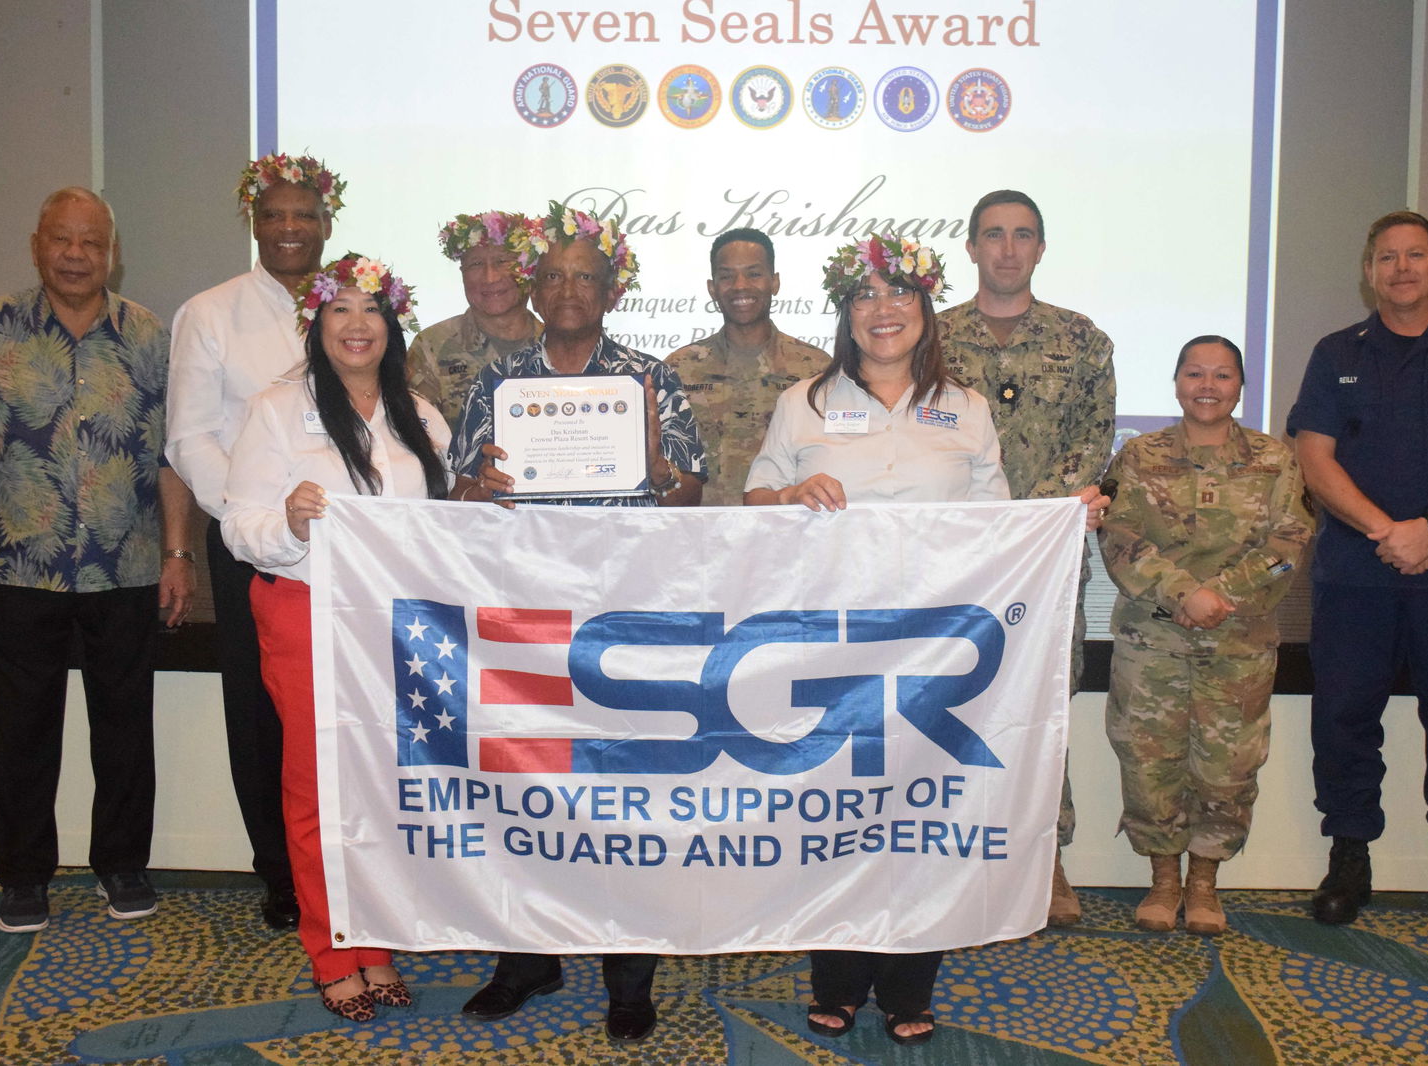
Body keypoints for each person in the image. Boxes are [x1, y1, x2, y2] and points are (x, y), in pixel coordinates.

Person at [745, 233, 1107, 1047]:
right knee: (834, 811)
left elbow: (1000, 522)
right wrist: (791, 491)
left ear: (925, 312)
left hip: (934, 649)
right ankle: (837, 976)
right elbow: (753, 493)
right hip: (831, 644)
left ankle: (911, 981)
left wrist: (1061, 519)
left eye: (900, 296)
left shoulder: (967, 408)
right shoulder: (801, 400)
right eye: (867, 297)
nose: (884, 311)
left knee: (922, 814)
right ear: (846, 313)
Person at [451, 203, 705, 1044]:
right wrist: (476, 489)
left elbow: (692, 495)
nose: (567, 290)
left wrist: (665, 471)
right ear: (537, 285)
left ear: (611, 290)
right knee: (526, 787)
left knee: (621, 793)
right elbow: (458, 492)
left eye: (584, 277)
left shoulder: (648, 377)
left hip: (619, 613)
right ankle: (525, 959)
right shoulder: (499, 381)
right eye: (553, 275)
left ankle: (628, 977)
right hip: (522, 614)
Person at [0, 187, 194, 933]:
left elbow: (173, 458)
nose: (77, 255)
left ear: (113, 252)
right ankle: (21, 876)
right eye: (62, 240)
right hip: (18, 567)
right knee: (18, 730)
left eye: (92, 242)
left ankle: (122, 864)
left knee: (125, 726)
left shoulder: (148, 336)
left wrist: (177, 554)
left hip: (128, 568)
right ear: (37, 245)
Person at [221, 254, 449, 1018]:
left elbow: (440, 528)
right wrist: (287, 521)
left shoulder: (419, 414)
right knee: (319, 790)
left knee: (383, 789)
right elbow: (239, 528)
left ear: (393, 326)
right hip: (306, 612)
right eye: (341, 310)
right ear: (317, 323)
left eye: (373, 311)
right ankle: (332, 949)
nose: (357, 326)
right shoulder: (277, 409)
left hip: (393, 626)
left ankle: (376, 941)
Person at [1287, 210, 1428, 943]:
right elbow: (1315, 457)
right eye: (1386, 257)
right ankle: (1349, 858)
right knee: (1345, 715)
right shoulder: (1335, 353)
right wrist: (1386, 530)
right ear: (1369, 270)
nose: (1401, 268)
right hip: (1358, 572)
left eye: (1415, 255)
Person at [166, 152, 347, 931]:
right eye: (273, 215)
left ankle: (347, 865)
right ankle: (279, 872)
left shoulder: (355, 303)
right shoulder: (210, 313)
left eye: (303, 215)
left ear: (326, 224)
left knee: (349, 708)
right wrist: (258, 519)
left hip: (352, 551)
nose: (289, 229)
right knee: (262, 712)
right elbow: (190, 438)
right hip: (252, 548)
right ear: (253, 222)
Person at [939, 189, 1116, 925]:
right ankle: (943, 853)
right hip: (952, 561)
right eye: (993, 235)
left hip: (1043, 561)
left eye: (1022, 236)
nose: (1007, 248)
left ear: (1040, 249)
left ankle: (1049, 857)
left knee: (1043, 704)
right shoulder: (930, 338)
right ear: (971, 247)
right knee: (945, 706)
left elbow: (1093, 440)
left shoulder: (1081, 341)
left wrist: (1030, 524)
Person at [1097, 336, 1312, 935]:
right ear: (1176, 383)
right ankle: (1164, 880)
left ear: (1241, 385)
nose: (1208, 386)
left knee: (1228, 765)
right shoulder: (1140, 455)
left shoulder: (1275, 459)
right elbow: (1118, 536)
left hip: (1239, 642)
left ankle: (1204, 883)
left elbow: (1288, 542)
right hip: (1153, 638)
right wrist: (1182, 593)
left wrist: (1223, 595)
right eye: (1195, 374)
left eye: (1222, 375)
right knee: (1148, 759)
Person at [665, 227, 828, 502]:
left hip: (787, 532)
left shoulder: (816, 368)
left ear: (774, 282)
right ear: (712, 288)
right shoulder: (679, 368)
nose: (740, 286)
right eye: (727, 276)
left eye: (754, 274)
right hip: (701, 533)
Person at [408, 210, 542, 434]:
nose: (490, 277)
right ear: (462, 273)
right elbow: (415, 437)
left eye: (502, 261)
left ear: (527, 269)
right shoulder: (431, 345)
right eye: (476, 264)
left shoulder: (556, 343)